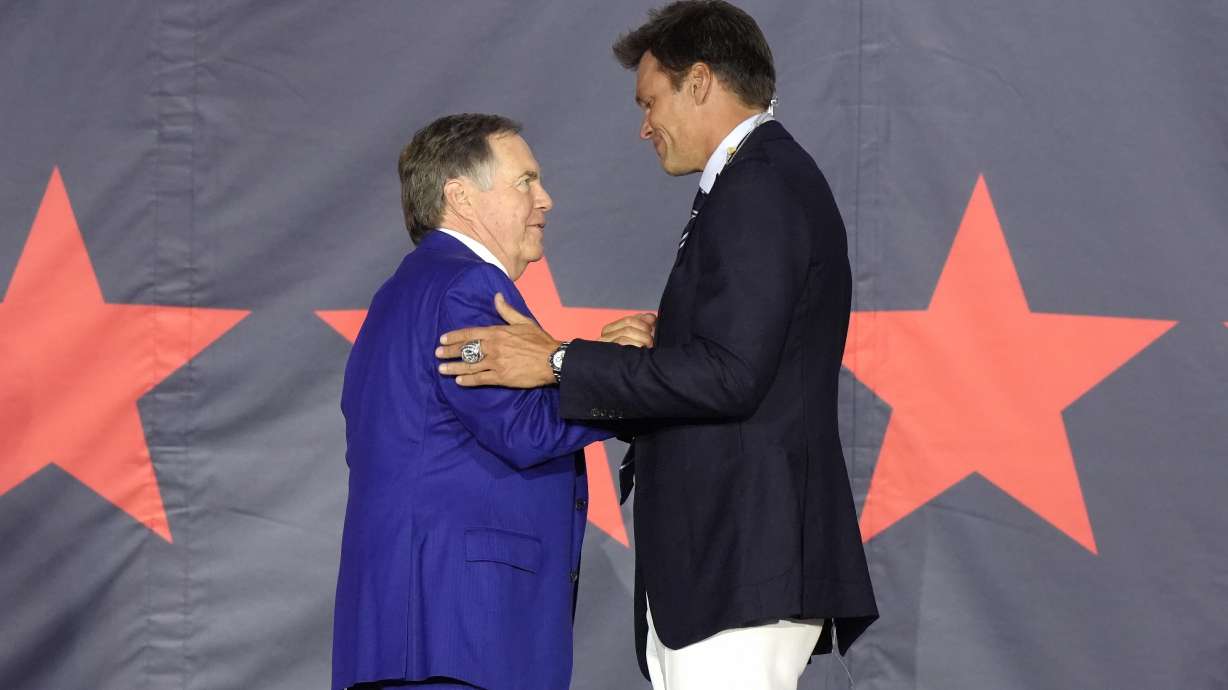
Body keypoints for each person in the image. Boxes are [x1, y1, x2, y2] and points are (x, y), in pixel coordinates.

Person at [434, 3, 878, 689]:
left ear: (699, 81)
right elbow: (736, 361)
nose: (644, 127)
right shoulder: (751, 183)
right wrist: (659, 348)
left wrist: (556, 361)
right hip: (724, 565)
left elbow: (731, 376)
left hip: (739, 557)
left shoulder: (760, 186)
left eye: (650, 101)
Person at [331, 113, 653, 690]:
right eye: (525, 181)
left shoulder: (401, 292)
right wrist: (623, 374)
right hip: (459, 631)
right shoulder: (466, 285)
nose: (546, 199)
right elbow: (525, 428)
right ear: (461, 197)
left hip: (406, 632)